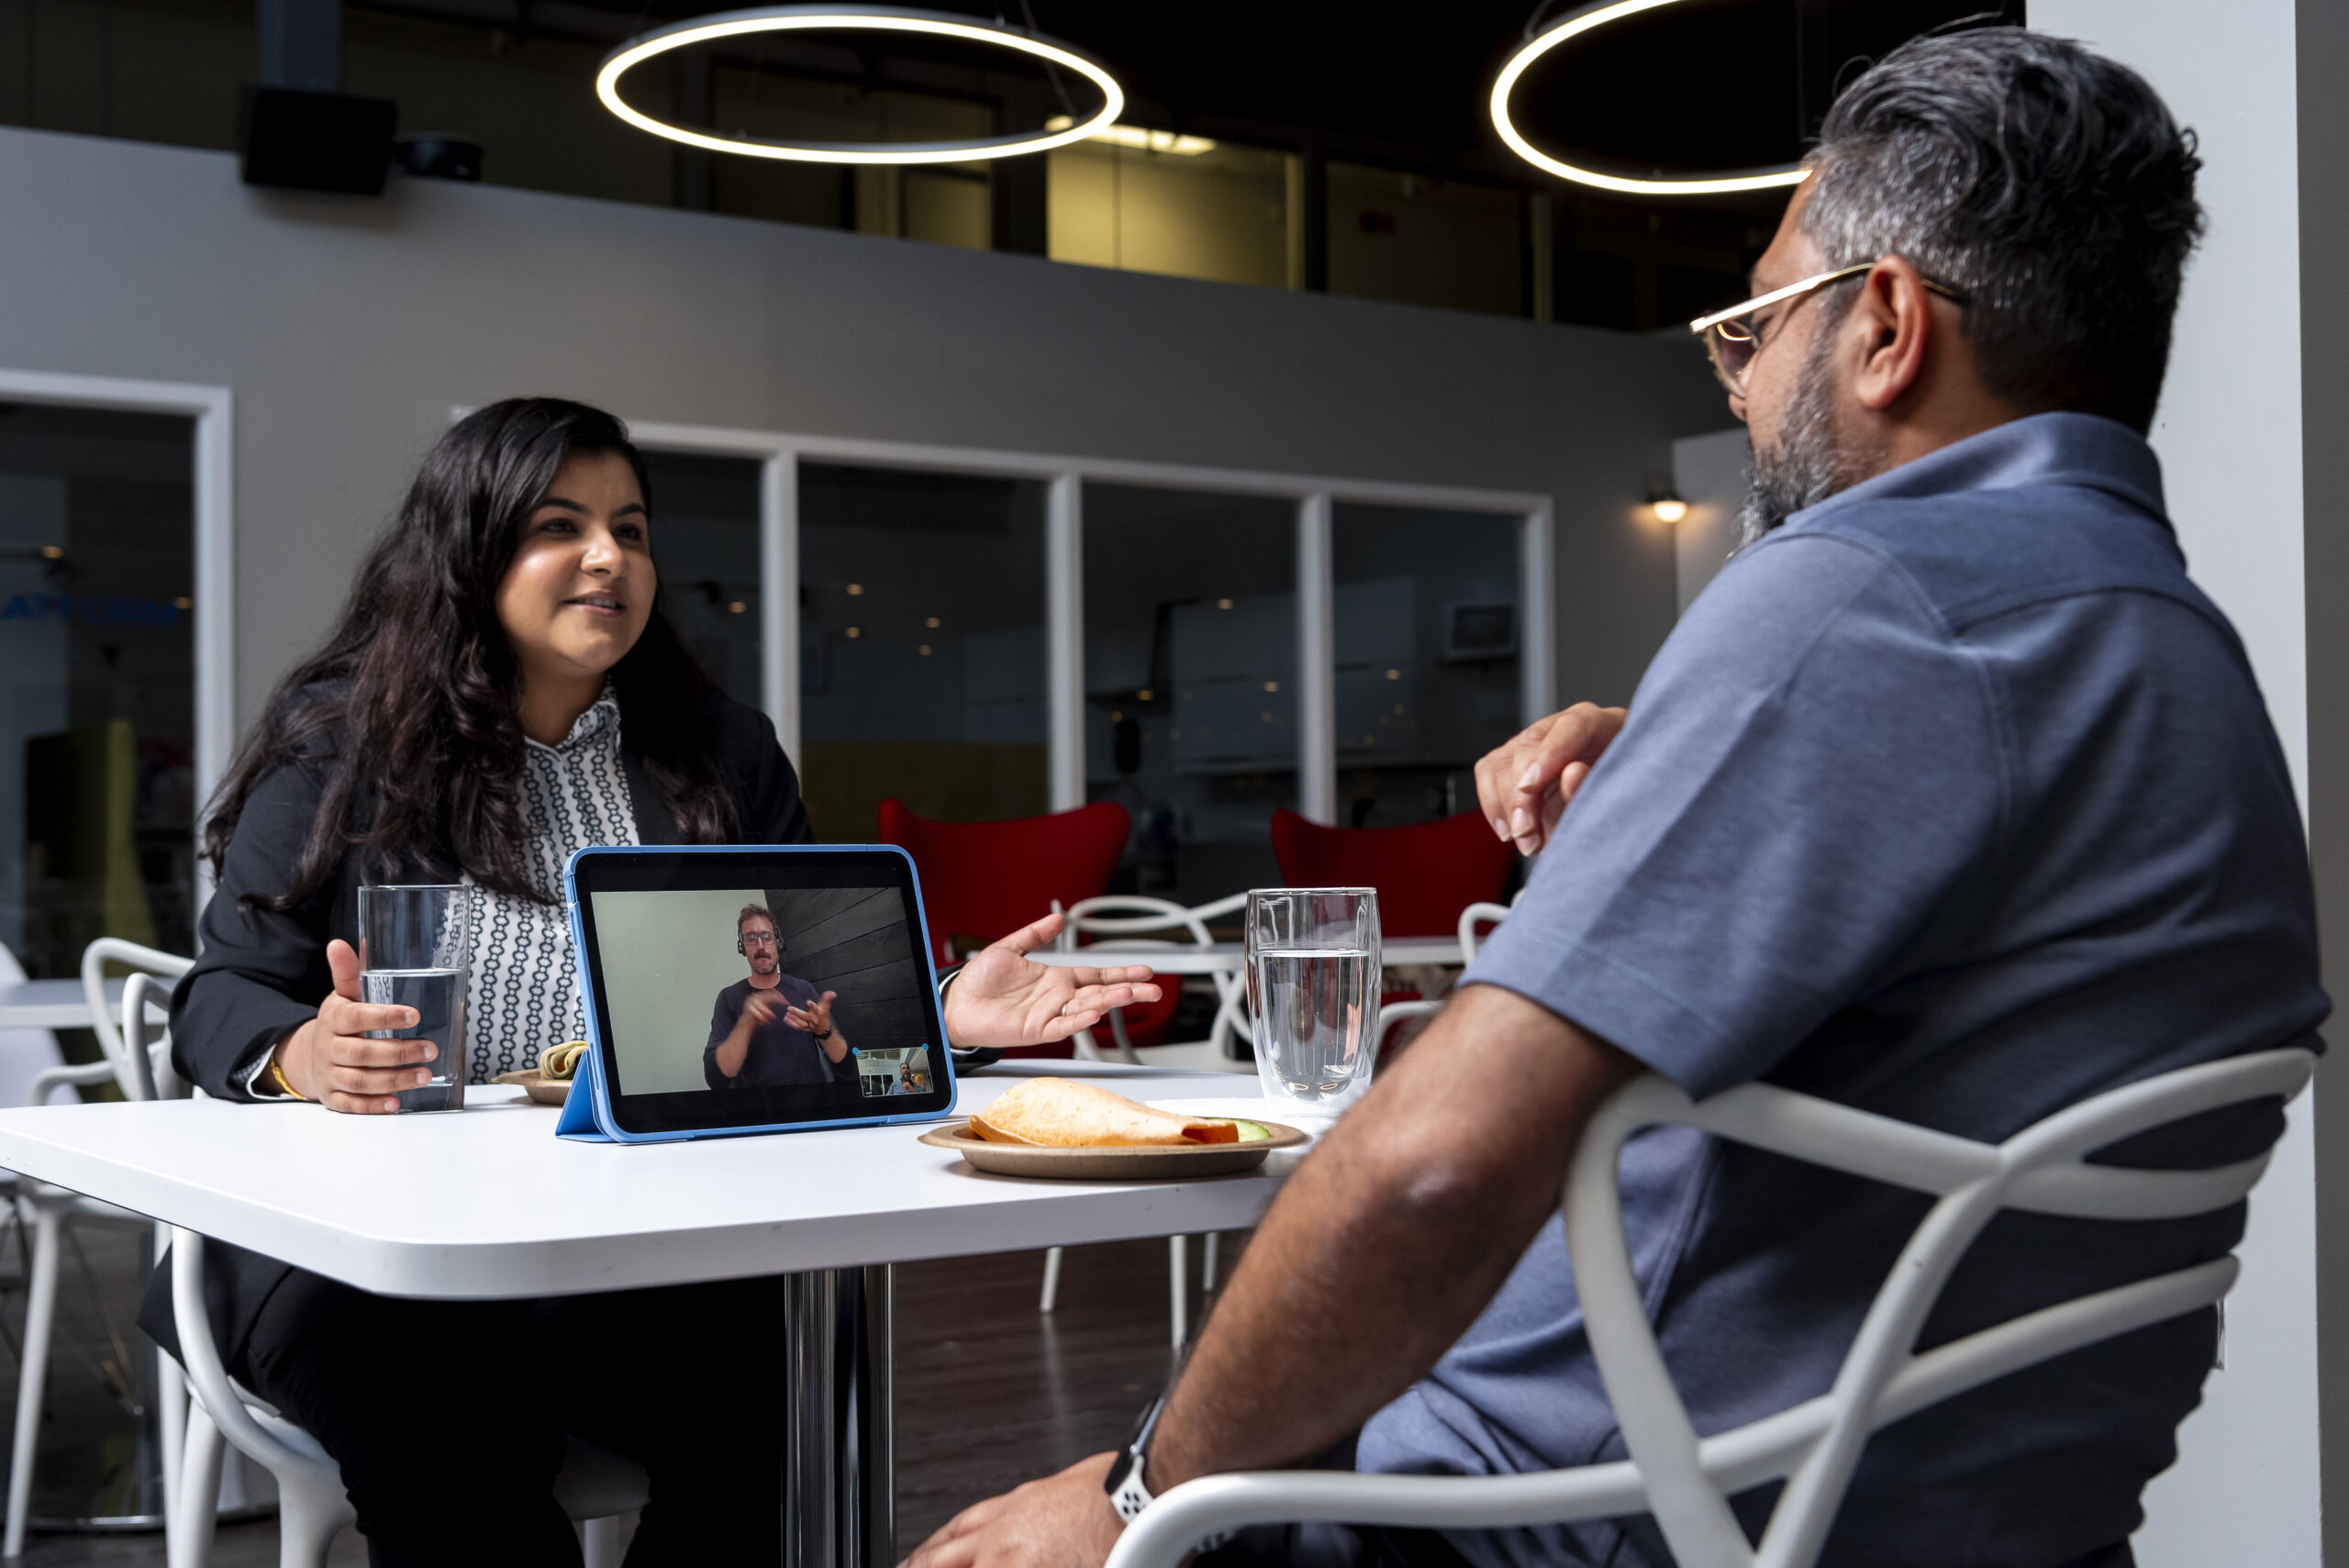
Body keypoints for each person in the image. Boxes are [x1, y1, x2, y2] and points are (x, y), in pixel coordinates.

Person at [906, 28, 2324, 1568]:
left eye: (1753, 326)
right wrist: (1652, 842)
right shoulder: (2183, 656)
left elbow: (1433, 1166)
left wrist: (1135, 1496)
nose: (1740, 390)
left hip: (1538, 1526)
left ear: (1889, 326)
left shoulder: (1854, 591)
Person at [140, 397, 1161, 1567]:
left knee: (778, 1415)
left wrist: (939, 1014)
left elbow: (808, 988)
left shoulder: (719, 748)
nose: (607, 556)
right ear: (467, 550)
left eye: (630, 526)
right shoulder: (343, 741)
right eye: (559, 525)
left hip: (625, 1244)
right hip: (357, 1254)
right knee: (460, 1448)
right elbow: (219, 999)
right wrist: (304, 1053)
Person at [705, 903, 849, 1089]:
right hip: (762, 1114)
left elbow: (845, 1065)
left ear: (777, 942)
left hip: (813, 1108)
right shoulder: (728, 998)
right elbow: (716, 1079)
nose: (760, 945)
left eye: (766, 936)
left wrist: (824, 1031)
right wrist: (746, 1024)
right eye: (750, 937)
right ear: (742, 947)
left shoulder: (803, 989)